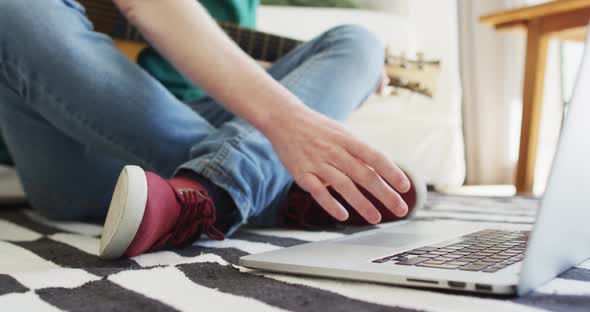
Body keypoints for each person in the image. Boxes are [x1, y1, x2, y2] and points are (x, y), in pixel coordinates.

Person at [0, 0, 424, 259]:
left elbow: (230, 59)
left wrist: (327, 80)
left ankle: (202, 195)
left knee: (359, 44)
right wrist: (287, 122)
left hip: (205, 118)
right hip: (82, 147)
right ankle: (266, 188)